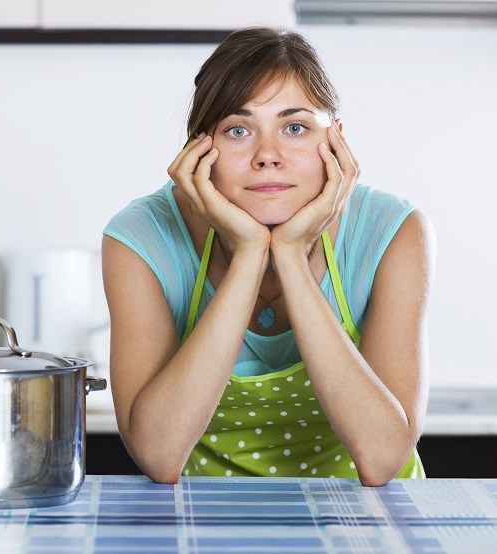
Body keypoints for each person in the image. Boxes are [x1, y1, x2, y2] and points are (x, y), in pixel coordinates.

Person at [101, 27, 435, 486]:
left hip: (366, 518)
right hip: (204, 517)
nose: (268, 156)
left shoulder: (394, 231)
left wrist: (292, 256)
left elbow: (381, 460)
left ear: (336, 141)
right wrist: (250, 254)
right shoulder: (141, 236)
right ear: (200, 149)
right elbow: (158, 454)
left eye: (294, 127)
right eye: (238, 130)